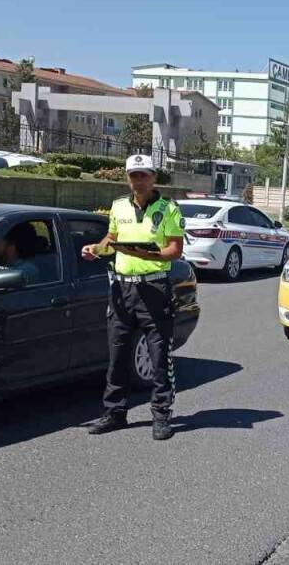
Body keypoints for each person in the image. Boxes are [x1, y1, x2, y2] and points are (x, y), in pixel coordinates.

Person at [81, 154, 185, 441]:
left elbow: (175, 251)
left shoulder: (169, 209)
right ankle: (115, 413)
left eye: (144, 175)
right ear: (127, 178)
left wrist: (145, 254)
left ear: (153, 177)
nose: (138, 180)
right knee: (118, 353)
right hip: (121, 289)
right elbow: (111, 241)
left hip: (154, 289)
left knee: (159, 355)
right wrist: (96, 249)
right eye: (134, 175)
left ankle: (161, 415)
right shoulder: (118, 207)